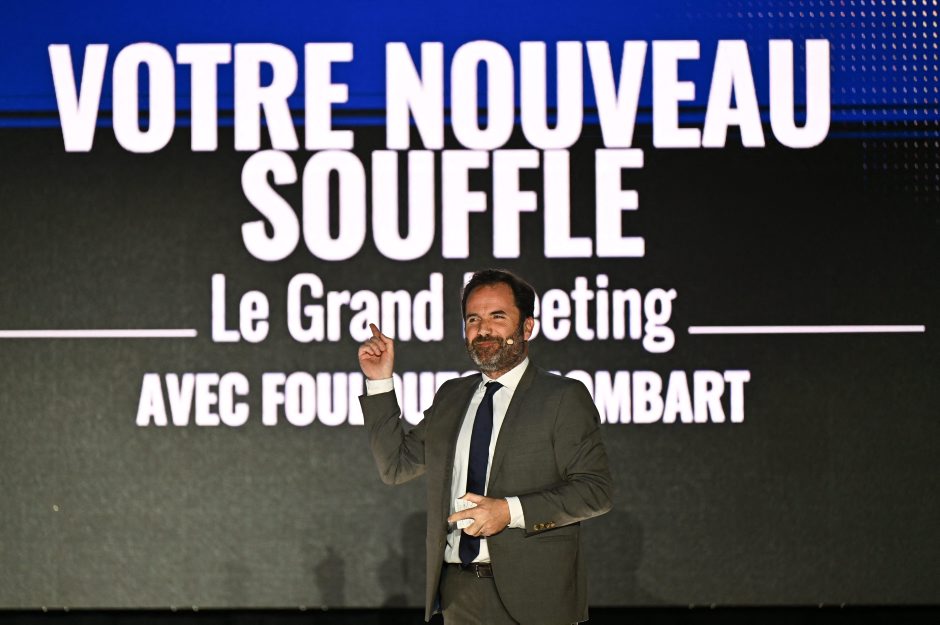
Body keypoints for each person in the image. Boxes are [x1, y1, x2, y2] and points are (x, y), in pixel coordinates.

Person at [357, 269, 612, 625]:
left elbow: (596, 491)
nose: (483, 329)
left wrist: (509, 511)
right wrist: (379, 381)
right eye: (473, 319)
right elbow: (396, 466)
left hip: (536, 597)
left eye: (498, 317)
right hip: (459, 594)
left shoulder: (561, 397)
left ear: (527, 327)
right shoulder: (451, 396)